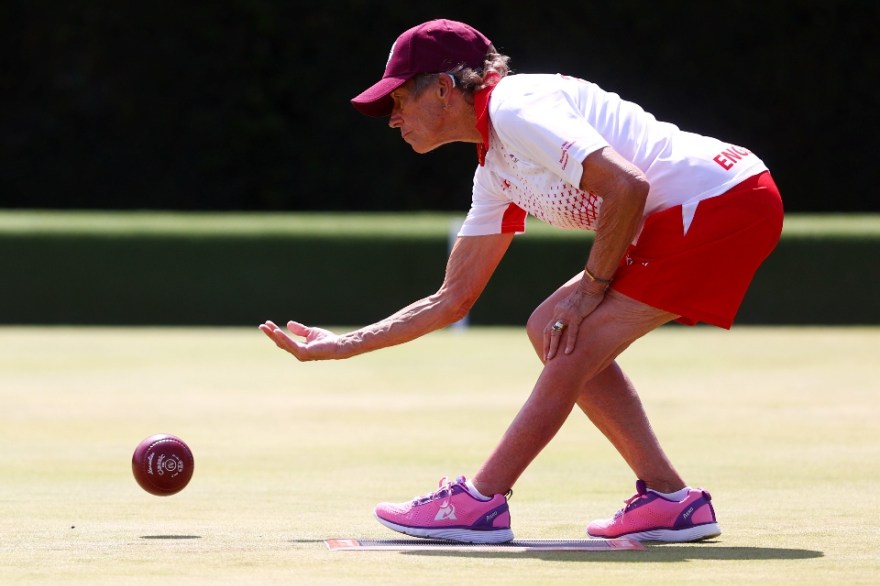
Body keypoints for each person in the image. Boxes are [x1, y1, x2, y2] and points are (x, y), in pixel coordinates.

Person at [260, 18, 783, 544]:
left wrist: (590, 290)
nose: (393, 119)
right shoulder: (494, 169)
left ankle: (481, 501)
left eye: (398, 99)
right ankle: (670, 499)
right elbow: (451, 300)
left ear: (443, 88)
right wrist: (342, 345)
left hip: (721, 201)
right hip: (706, 205)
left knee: (569, 338)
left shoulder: (516, 106)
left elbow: (627, 186)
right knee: (548, 328)